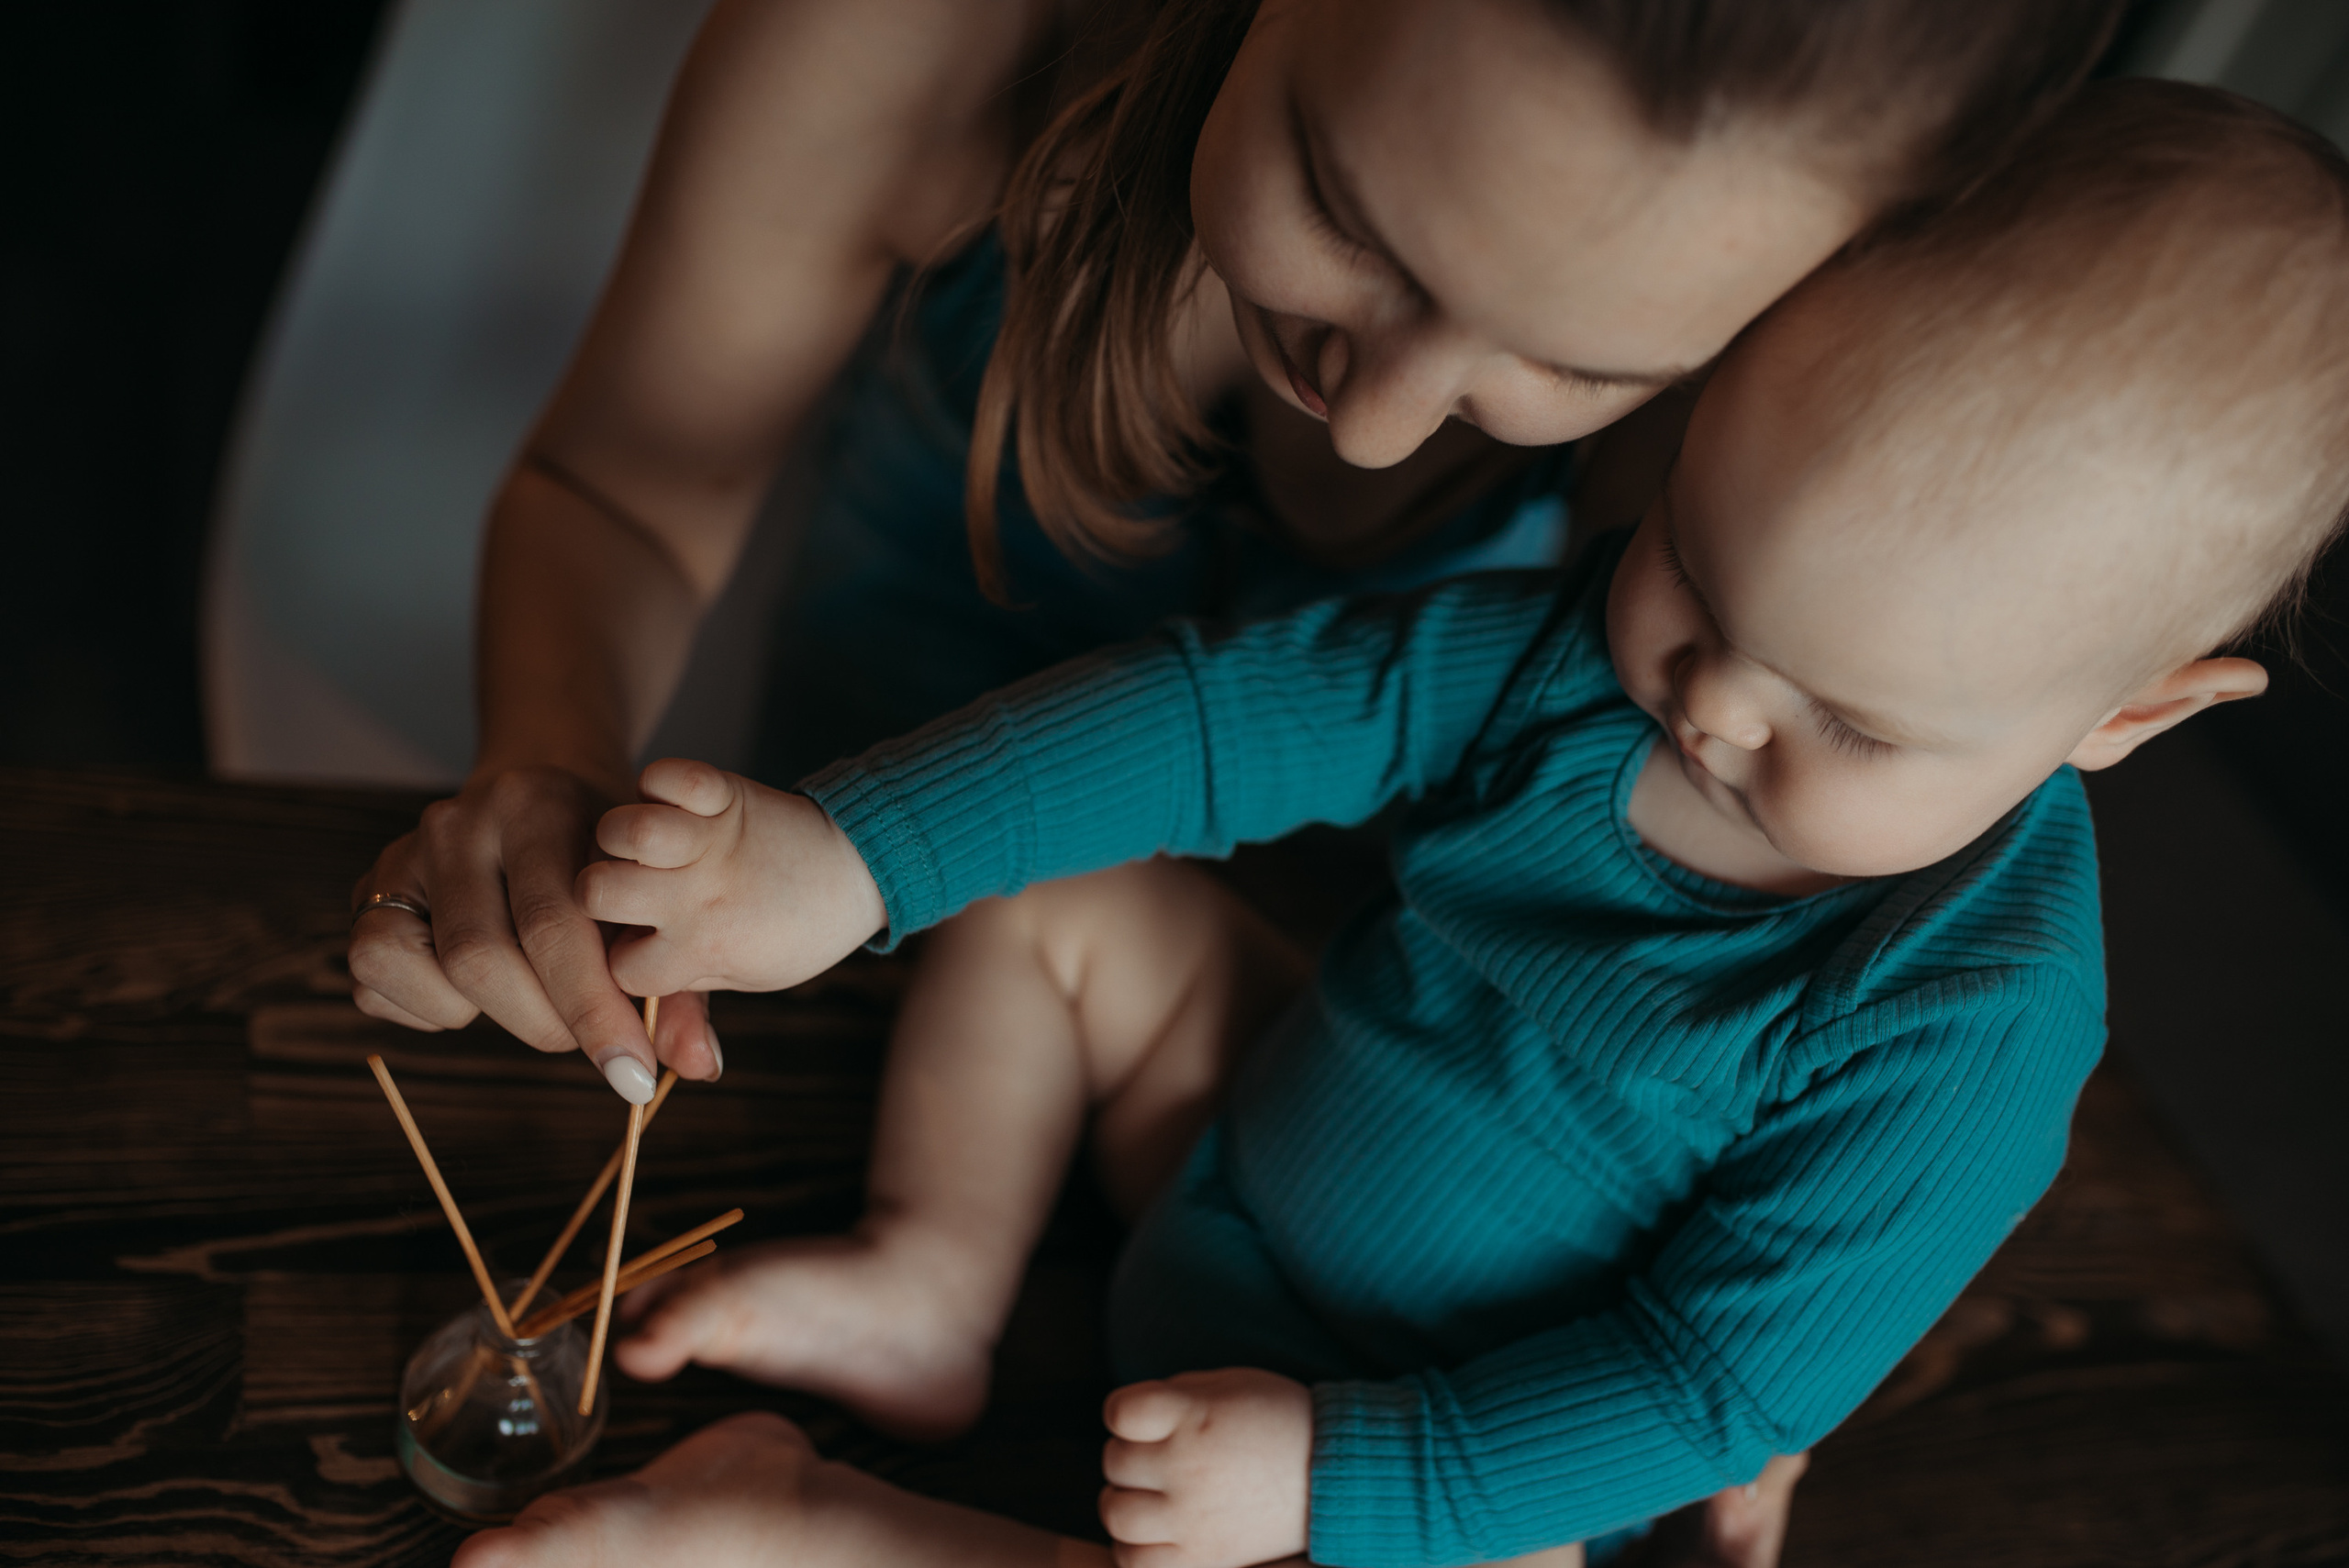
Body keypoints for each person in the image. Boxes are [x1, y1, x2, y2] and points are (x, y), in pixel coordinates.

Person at [458, 79, 2349, 1568]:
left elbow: (1711, 1381)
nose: (1707, 704)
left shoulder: (1974, 1014)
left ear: (2126, 717)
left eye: (1845, 720)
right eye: (1694, 569)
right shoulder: (1570, 658)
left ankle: (810, 1530)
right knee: (1062, 908)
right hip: (1231, 1157)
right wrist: (855, 853)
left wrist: (1335, 1471)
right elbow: (1212, 722)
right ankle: (936, 1273)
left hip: (1446, 1434)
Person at [345, 0, 2124, 1107]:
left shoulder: (1804, 392)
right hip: (800, 1025)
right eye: (1348, 212)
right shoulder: (924, 39)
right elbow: (621, 491)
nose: (1378, 423)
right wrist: (545, 766)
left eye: (1582, 367)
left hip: (1302, 1112)